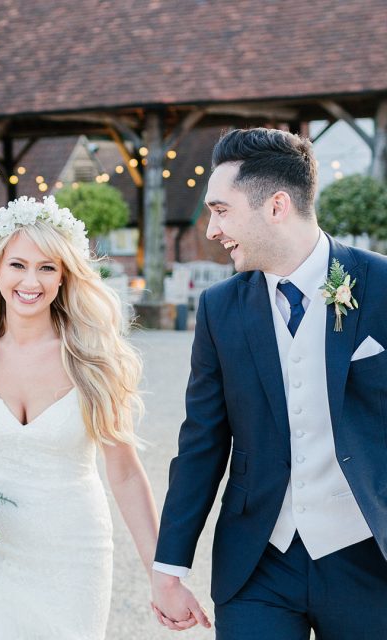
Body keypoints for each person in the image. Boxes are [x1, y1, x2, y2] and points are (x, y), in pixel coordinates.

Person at [151, 127, 387, 638]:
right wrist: (169, 567)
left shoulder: (383, 287)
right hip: (258, 562)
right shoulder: (219, 309)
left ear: (277, 206)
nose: (212, 229)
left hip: (369, 561)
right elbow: (201, 443)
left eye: (221, 210)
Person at [0, 196, 159, 640]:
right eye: (18, 265)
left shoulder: (93, 359)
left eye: (47, 267)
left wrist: (161, 575)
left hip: (72, 550)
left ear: (64, 276)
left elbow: (127, 474)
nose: (30, 281)